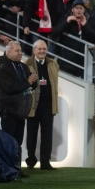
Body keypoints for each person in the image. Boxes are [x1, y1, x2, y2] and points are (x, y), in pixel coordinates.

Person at [0, 41, 38, 178]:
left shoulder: (23, 67)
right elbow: (10, 88)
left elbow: (30, 85)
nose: (21, 53)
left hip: (21, 111)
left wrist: (34, 81)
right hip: (9, 111)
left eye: (21, 50)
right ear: (9, 53)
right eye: (17, 51)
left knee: (17, 143)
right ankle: (6, 170)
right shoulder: (2, 69)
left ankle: (16, 170)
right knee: (8, 142)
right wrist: (28, 82)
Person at [25, 40, 59, 170]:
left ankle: (45, 162)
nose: (42, 51)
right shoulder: (27, 64)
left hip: (48, 105)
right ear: (34, 50)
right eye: (39, 49)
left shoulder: (53, 64)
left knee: (47, 135)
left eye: (44, 49)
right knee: (31, 134)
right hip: (33, 105)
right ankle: (31, 161)